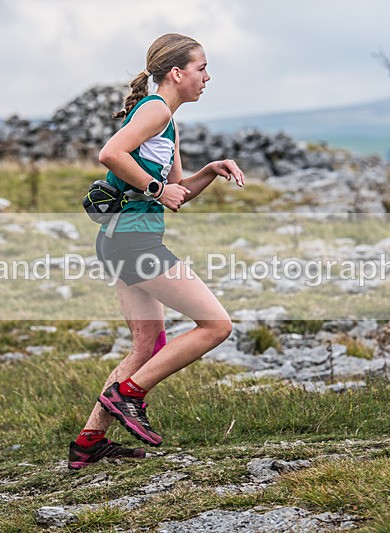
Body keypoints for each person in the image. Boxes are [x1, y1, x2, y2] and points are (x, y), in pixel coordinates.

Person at [68, 33, 245, 469]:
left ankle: (88, 443)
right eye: (202, 68)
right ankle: (129, 395)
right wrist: (153, 187)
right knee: (216, 325)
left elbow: (177, 192)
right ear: (177, 73)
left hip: (121, 239)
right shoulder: (155, 109)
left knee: (147, 343)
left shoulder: (168, 121)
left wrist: (209, 171)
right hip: (133, 242)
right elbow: (110, 154)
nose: (207, 76)